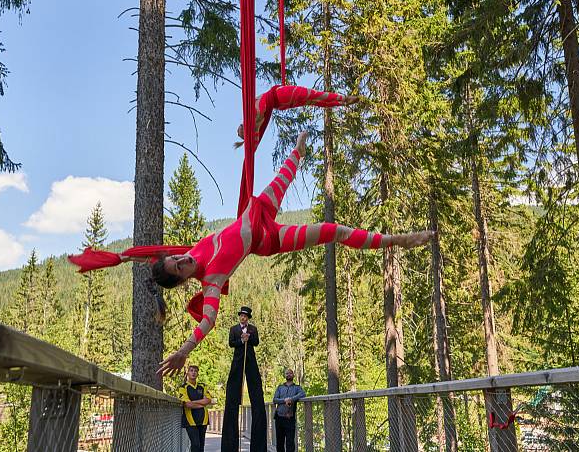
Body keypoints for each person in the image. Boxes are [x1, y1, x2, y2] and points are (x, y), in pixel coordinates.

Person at [153, 131, 434, 376]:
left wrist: (128, 256)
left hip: (258, 208)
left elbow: (152, 258)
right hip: (268, 238)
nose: (182, 260)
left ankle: (298, 150)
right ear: (183, 281)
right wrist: (184, 350)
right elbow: (209, 320)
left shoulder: (191, 252)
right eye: (179, 267)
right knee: (332, 230)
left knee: (285, 175)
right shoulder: (211, 280)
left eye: (176, 258)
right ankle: (395, 241)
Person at [221, 306, 266, 452]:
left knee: (256, 392)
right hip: (238, 361)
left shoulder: (253, 329)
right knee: (233, 391)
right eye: (241, 315)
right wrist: (241, 340)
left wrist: (249, 338)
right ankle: (230, 445)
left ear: (248, 318)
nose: (243, 318)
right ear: (239, 316)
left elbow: (257, 342)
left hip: (250, 361)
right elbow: (231, 343)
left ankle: (258, 446)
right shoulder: (234, 329)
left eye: (245, 316)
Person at [179, 365, 213, 452]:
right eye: (191, 370)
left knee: (201, 445)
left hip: (203, 418)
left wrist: (193, 402)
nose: (193, 372)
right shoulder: (183, 387)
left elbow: (208, 400)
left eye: (195, 371)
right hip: (190, 420)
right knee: (195, 444)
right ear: (187, 373)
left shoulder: (203, 386)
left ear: (198, 374)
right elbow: (187, 404)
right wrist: (202, 403)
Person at [273, 368, 305, 452]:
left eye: (290, 373)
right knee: (279, 442)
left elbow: (303, 394)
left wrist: (291, 399)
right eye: (287, 373)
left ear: (293, 375)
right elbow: (275, 400)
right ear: (285, 375)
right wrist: (284, 400)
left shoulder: (297, 388)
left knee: (290, 442)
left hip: (289, 418)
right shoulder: (280, 387)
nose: (288, 375)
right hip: (279, 417)